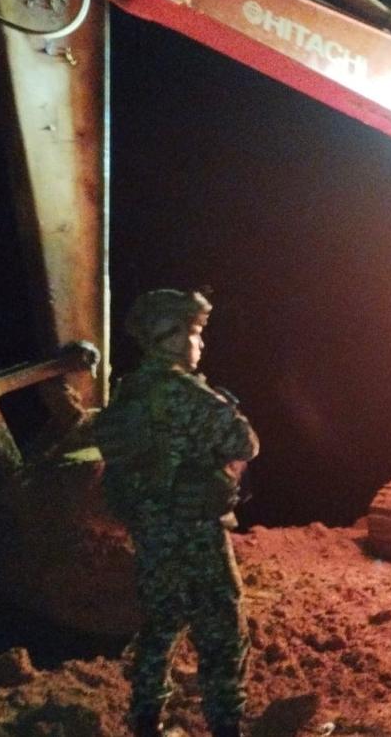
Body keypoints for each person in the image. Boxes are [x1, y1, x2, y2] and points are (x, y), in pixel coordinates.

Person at [94, 288, 260, 737]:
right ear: (170, 337)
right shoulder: (185, 392)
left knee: (160, 625)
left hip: (151, 534)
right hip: (196, 534)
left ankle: (147, 720)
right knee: (222, 631)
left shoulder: (129, 394)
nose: (199, 343)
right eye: (194, 333)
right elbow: (245, 443)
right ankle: (226, 725)